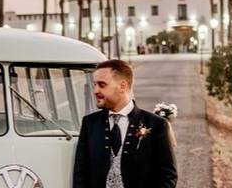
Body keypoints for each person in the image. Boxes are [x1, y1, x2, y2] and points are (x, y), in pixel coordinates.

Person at [73, 59, 177, 188]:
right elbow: (80, 174)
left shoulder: (156, 124)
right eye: (94, 85)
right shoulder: (90, 123)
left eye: (102, 85)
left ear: (123, 86)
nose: (95, 90)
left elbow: (168, 176)